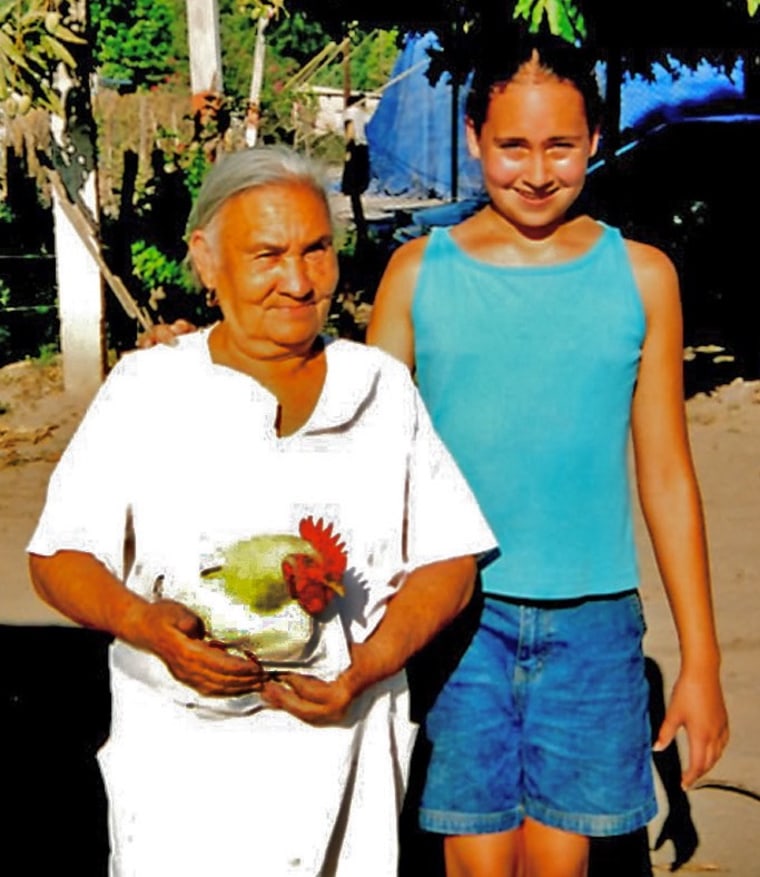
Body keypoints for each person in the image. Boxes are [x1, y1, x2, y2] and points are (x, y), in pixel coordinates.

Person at [27, 146, 497, 877]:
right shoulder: (149, 389)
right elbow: (58, 556)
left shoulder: (378, 388)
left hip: (346, 750)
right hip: (184, 766)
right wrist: (145, 623)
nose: (298, 280)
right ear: (207, 262)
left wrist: (364, 666)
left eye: (317, 250)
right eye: (267, 254)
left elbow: (451, 562)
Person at [366, 33, 729, 877]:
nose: (536, 171)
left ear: (596, 140)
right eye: (513, 146)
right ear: (472, 139)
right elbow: (358, 443)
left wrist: (700, 660)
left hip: (595, 625)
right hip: (457, 615)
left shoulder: (643, 277)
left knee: (559, 864)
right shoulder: (418, 273)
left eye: (560, 146)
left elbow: (667, 474)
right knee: (479, 861)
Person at [341, 93, 371, 246]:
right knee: (359, 185)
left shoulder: (350, 113)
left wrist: (347, 149)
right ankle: (360, 221)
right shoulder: (363, 114)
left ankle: (359, 221)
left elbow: (350, 131)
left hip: (355, 148)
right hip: (364, 149)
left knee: (352, 187)